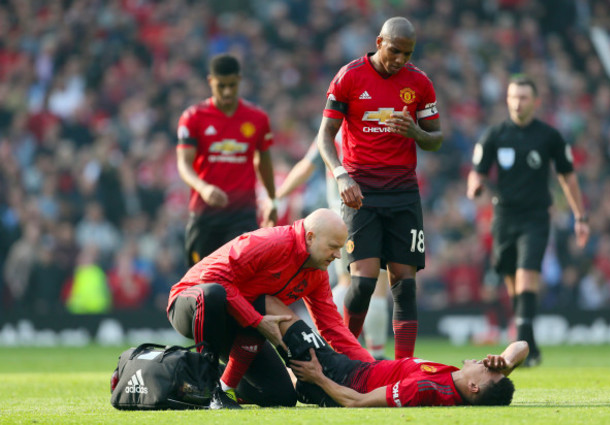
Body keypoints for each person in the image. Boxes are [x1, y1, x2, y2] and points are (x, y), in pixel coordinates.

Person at [316, 16, 443, 359]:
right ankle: (343, 358)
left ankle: (404, 367)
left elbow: (436, 138)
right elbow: (324, 136)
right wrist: (342, 175)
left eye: (408, 53)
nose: (401, 59)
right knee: (362, 282)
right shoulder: (350, 77)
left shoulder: (419, 83)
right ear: (379, 41)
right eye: (395, 51)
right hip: (362, 193)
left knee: (405, 285)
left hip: (403, 192)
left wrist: (415, 133)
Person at [166, 208, 374, 409]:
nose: (338, 255)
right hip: (191, 304)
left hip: (236, 320)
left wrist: (373, 372)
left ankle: (212, 382)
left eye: (340, 248)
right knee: (214, 294)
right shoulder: (271, 242)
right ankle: (207, 388)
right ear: (310, 237)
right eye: (333, 246)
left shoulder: (317, 272)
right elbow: (211, 278)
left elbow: (333, 327)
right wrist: (256, 320)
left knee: (280, 395)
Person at [467, 75, 590, 367]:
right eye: (513, 97)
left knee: (526, 274)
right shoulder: (495, 135)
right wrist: (475, 185)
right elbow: (478, 170)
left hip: (536, 216)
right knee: (511, 280)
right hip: (504, 216)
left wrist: (580, 215)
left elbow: (567, 178)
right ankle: (529, 344)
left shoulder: (549, 136)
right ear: (507, 100)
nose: (517, 103)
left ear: (535, 102)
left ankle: (520, 345)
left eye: (523, 97)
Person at [265, 295, 528, 407]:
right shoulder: (460, 381)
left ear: (473, 387)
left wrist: (318, 377)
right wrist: (505, 360)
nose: (486, 362)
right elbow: (523, 346)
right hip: (354, 367)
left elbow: (356, 402)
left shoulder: (425, 388)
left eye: (487, 369)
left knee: (270, 305)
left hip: (336, 378)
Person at [276, 138, 391, 360]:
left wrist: (278, 195)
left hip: (346, 216)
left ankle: (337, 347)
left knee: (354, 282)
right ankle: (355, 351)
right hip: (368, 214)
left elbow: (306, 165)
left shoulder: (333, 130)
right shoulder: (369, 123)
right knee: (371, 283)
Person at [176, 53, 277, 267]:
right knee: (201, 284)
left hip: (242, 213)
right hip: (205, 215)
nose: (228, 91)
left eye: (232, 85)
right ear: (210, 81)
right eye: (221, 86)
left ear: (239, 80)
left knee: (240, 278)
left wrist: (271, 199)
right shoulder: (193, 117)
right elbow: (184, 164)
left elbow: (264, 162)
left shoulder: (257, 118)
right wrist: (203, 188)